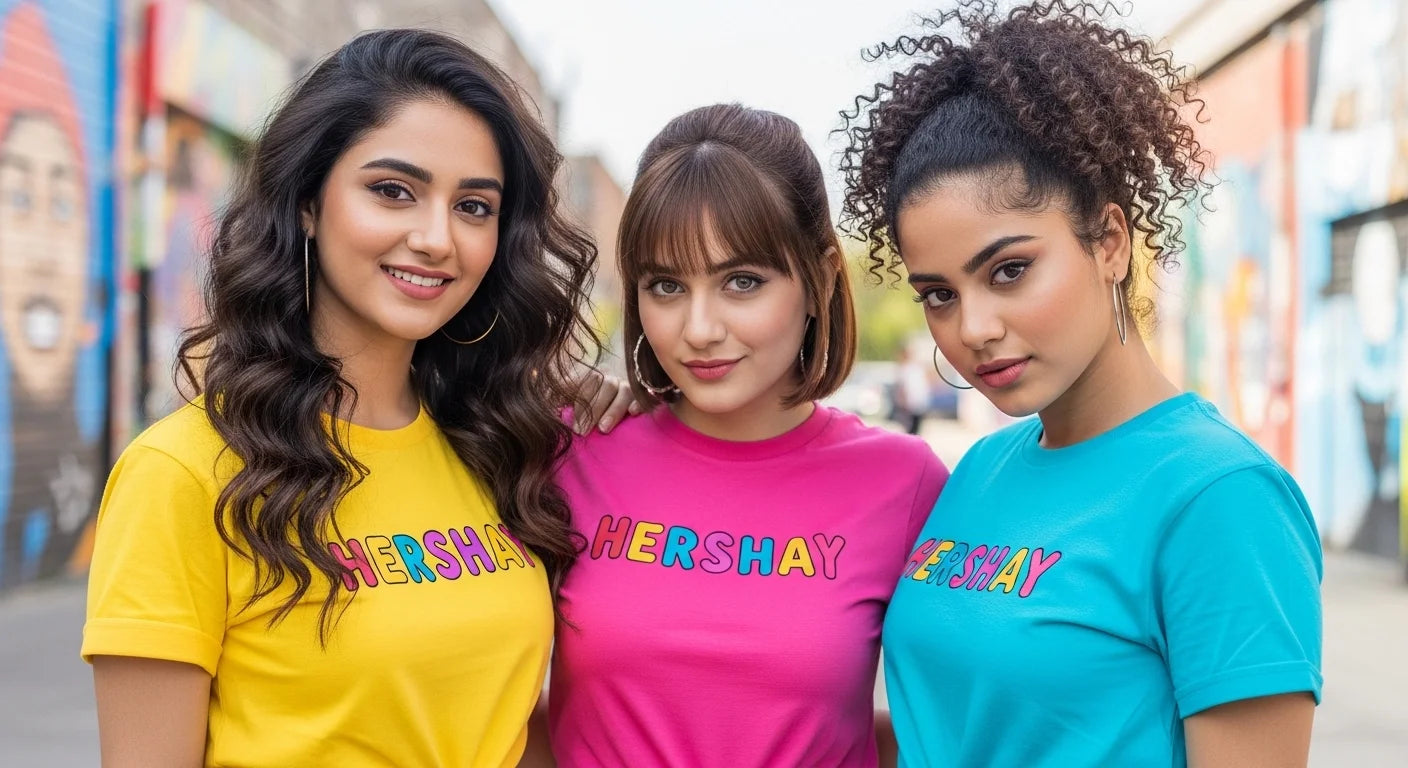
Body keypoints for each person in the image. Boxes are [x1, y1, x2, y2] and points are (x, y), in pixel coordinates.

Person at [81, 28, 618, 767]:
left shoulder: (498, 446)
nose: (436, 238)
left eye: (473, 206)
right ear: (308, 201)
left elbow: (514, 730)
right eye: (392, 191)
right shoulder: (182, 474)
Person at [838, 2, 1323, 766]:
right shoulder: (980, 470)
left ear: (1110, 243)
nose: (974, 327)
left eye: (1009, 271)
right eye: (939, 294)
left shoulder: (1220, 497)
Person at [540, 104, 948, 767]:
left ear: (818, 279)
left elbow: (946, 722)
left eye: (742, 282)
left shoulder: (906, 485)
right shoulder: (572, 449)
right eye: (666, 285)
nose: (699, 329)